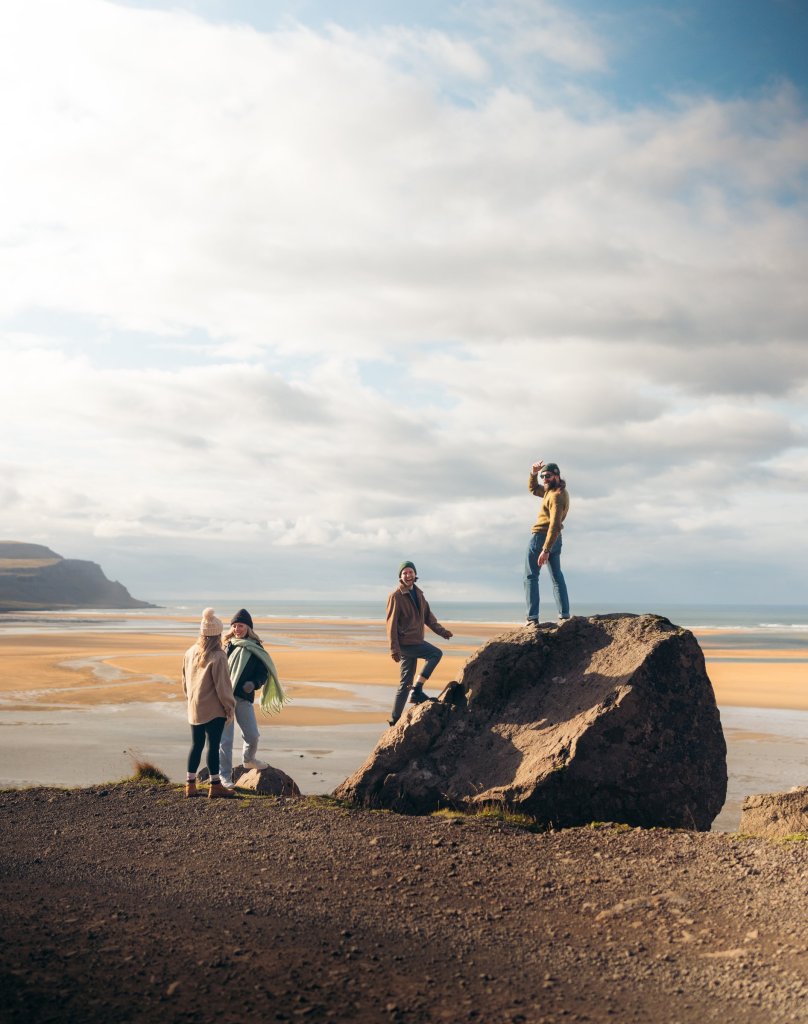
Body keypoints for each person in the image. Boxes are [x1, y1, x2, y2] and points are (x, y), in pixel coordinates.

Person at [219, 608, 285, 791]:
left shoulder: (256, 648)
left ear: (248, 627)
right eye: (234, 626)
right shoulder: (227, 646)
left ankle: (248, 759)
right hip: (225, 698)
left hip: (243, 698)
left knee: (252, 735)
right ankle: (224, 777)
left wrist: (254, 683)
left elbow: (262, 673)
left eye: (240, 625)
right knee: (225, 740)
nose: (237, 629)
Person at [386, 561, 453, 726]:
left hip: (415, 641)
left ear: (415, 575)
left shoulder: (419, 594)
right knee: (435, 654)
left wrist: (443, 632)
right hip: (406, 643)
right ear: (400, 576)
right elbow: (391, 624)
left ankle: (394, 720)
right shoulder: (395, 596)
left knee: (404, 683)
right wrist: (394, 648)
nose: (408, 575)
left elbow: (429, 618)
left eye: (411, 572)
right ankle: (417, 690)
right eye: (405, 573)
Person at [182, 608, 236, 799]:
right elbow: (223, 687)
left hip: (194, 707)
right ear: (218, 634)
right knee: (213, 746)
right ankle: (215, 785)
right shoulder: (218, 656)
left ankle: (190, 784)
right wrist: (230, 707)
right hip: (214, 709)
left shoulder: (190, 652)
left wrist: (190, 699)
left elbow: (185, 682)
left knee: (196, 745)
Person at [525, 460, 571, 625]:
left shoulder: (556, 496)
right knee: (557, 577)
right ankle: (564, 615)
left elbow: (555, 524)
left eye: (548, 475)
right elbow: (533, 489)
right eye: (543, 476)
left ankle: (532, 618)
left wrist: (545, 549)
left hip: (542, 537)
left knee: (530, 577)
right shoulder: (551, 491)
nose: (544, 478)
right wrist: (533, 473)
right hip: (555, 539)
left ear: (557, 475)